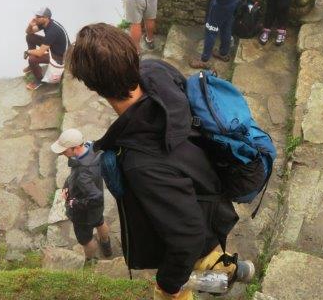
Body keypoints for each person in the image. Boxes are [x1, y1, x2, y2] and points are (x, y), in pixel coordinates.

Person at [68, 23, 253, 300]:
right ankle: (235, 270)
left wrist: (167, 285)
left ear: (94, 87)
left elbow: (187, 237)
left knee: (188, 269)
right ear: (132, 56)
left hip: (194, 220)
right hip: (206, 189)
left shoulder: (141, 163)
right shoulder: (157, 71)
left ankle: (225, 272)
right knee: (209, 254)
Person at [51, 128, 113, 265]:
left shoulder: (83, 173)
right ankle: (106, 245)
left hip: (83, 215)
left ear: (75, 147)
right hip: (96, 209)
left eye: (64, 150)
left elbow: (95, 198)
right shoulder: (91, 148)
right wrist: (68, 185)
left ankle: (90, 261)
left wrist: (73, 203)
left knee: (86, 240)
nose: (62, 153)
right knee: (100, 222)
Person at [23, 7, 69, 90]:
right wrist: (30, 25)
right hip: (54, 46)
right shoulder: (46, 23)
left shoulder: (52, 31)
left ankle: (39, 81)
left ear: (46, 18)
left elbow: (40, 53)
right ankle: (33, 66)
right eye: (36, 15)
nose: (35, 18)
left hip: (60, 56)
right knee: (29, 37)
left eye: (38, 17)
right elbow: (29, 32)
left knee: (32, 59)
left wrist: (28, 52)